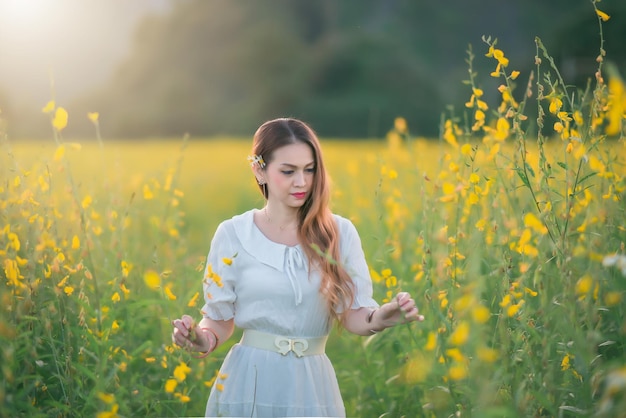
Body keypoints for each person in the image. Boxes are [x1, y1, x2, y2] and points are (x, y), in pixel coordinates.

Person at [171, 117, 424, 417]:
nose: (302, 182)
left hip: (311, 387)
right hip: (248, 382)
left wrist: (382, 316)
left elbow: (355, 316)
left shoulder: (339, 233)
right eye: (288, 172)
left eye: (310, 170)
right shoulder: (233, 234)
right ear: (259, 170)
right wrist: (200, 338)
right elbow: (219, 320)